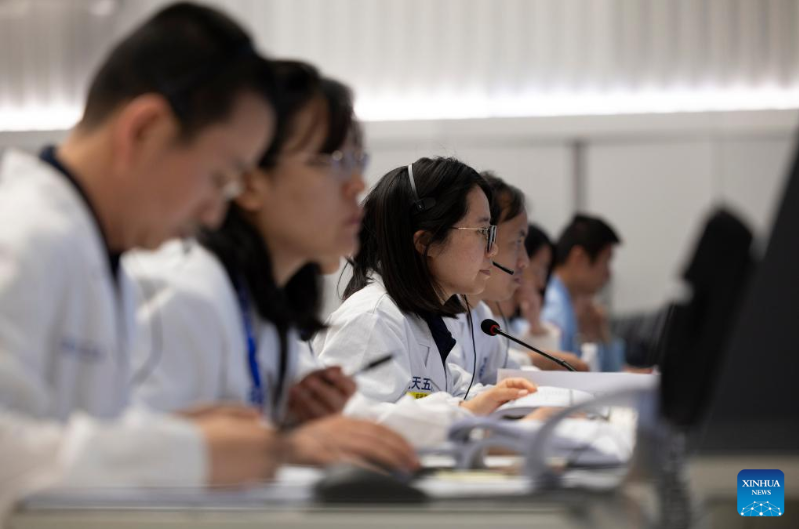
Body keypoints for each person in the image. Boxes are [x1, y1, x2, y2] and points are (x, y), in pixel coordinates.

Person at [0, 2, 284, 517]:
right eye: (219, 178)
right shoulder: (20, 235)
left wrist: (168, 433)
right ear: (144, 130)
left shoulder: (100, 255)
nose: (215, 214)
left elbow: (60, 432)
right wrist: (182, 454)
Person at [129, 65, 417, 471]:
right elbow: (130, 475)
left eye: (358, 161)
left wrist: (288, 421)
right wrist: (282, 445)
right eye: (334, 161)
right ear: (249, 180)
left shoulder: (265, 307)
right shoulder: (183, 297)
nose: (357, 184)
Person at [314, 158, 537, 415]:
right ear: (426, 241)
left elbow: (454, 394)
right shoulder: (372, 318)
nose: (493, 249)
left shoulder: (420, 321)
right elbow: (354, 427)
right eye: (482, 232)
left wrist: (511, 399)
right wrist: (468, 412)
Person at [445, 172, 529, 384]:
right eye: (516, 242)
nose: (524, 261)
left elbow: (509, 376)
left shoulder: (480, 315)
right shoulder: (433, 318)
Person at [497, 224, 590, 371]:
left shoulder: (508, 324)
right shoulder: (556, 303)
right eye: (539, 269)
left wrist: (536, 326)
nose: (541, 284)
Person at [542, 214, 626, 371]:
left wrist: (599, 334)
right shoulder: (554, 307)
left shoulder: (568, 302)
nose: (608, 273)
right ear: (578, 258)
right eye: (606, 261)